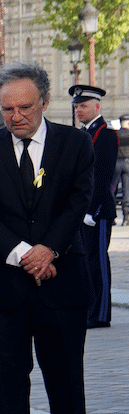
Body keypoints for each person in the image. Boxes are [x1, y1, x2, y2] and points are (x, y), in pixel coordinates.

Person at [0, 62, 94, 414]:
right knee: (7, 380)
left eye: (25, 107)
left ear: (45, 101)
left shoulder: (75, 144)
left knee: (66, 378)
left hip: (62, 282)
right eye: (7, 109)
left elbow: (78, 200)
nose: (16, 116)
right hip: (4, 288)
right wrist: (25, 254)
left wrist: (49, 249)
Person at [68, 84, 118, 328]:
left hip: (97, 211)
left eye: (83, 106)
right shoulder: (82, 134)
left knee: (98, 263)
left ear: (96, 107)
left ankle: (100, 314)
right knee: (86, 262)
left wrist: (91, 210)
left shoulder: (105, 134)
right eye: (77, 106)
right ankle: (90, 310)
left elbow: (102, 176)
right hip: (82, 211)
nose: (79, 110)